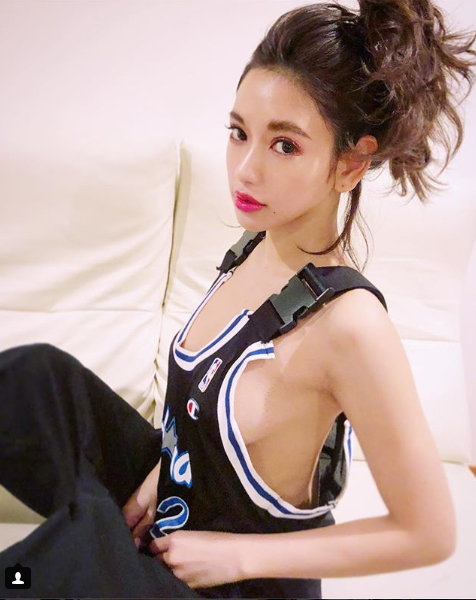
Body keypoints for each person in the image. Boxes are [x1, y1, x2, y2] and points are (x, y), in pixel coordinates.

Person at [1, 0, 475, 598]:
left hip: (233, 585)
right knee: (35, 380)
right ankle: (90, 532)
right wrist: (159, 473)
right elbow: (206, 410)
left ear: (350, 164)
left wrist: (234, 557)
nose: (244, 171)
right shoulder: (255, 246)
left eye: (285, 145)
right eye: (238, 133)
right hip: (179, 506)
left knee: (47, 564)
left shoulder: (352, 323)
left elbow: (428, 532)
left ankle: (76, 545)